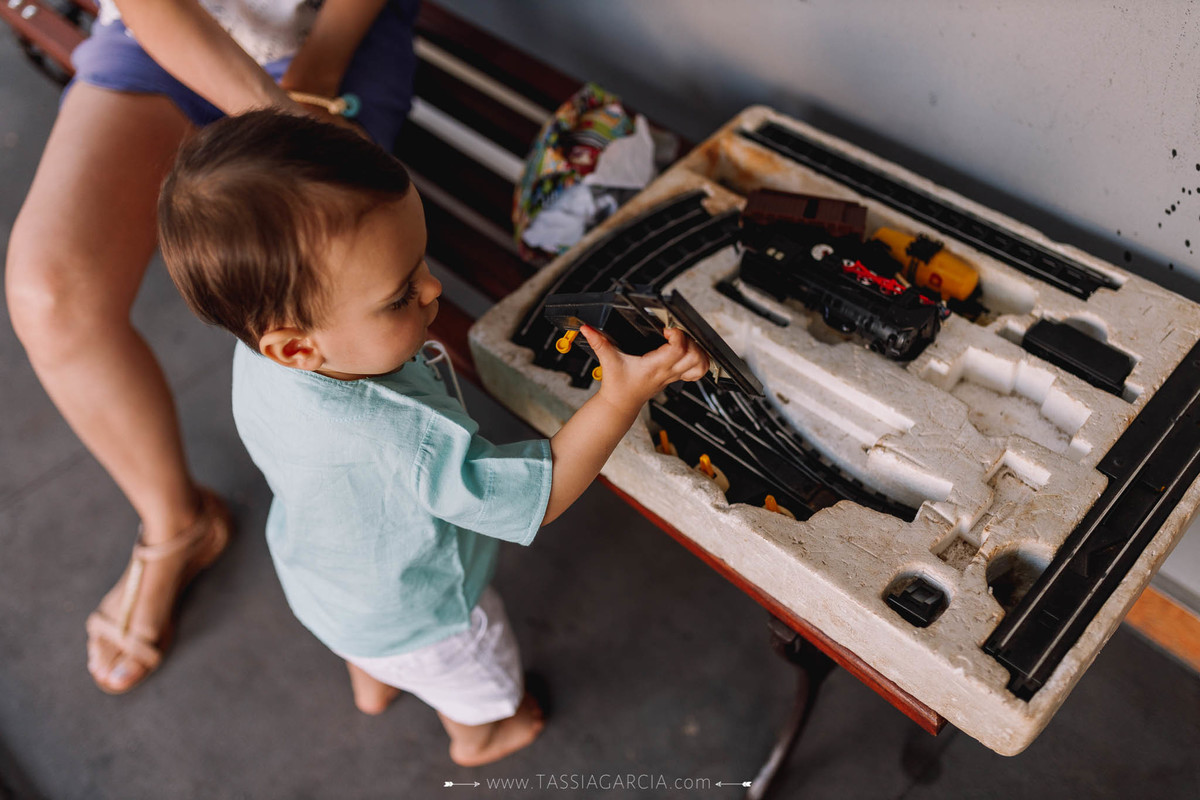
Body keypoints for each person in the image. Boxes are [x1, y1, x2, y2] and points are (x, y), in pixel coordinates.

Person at [157, 109, 709, 765]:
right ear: (299, 346)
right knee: (483, 685)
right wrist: (621, 396)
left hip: (325, 577)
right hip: (424, 615)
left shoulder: (261, 355)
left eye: (419, 262)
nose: (432, 289)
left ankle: (374, 683)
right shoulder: (399, 435)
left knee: (368, 649)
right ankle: (480, 739)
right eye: (398, 297)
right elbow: (547, 491)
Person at [4, 0, 418, 695]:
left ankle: (379, 597)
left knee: (322, 299)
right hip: (161, 32)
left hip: (327, 36)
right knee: (50, 296)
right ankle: (176, 523)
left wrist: (304, 92)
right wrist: (279, 119)